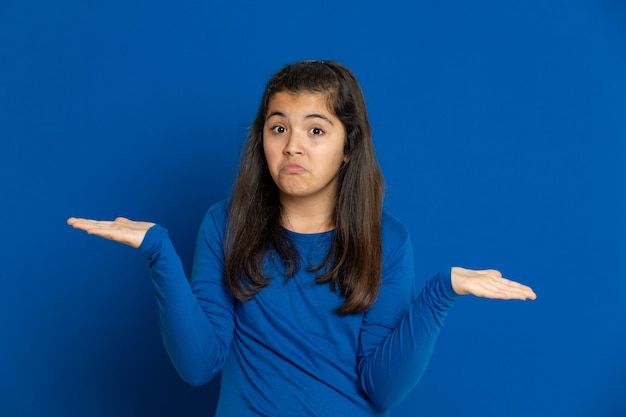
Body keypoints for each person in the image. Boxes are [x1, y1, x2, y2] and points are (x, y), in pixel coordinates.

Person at [68, 60, 536, 416]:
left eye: (316, 129)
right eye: (279, 128)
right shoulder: (224, 224)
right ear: (263, 139)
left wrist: (440, 294)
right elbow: (199, 364)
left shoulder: (387, 242)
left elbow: (383, 388)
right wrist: (158, 252)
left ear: (348, 147)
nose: (293, 145)